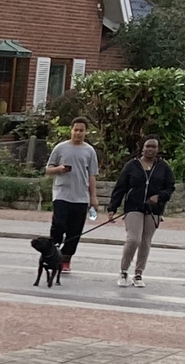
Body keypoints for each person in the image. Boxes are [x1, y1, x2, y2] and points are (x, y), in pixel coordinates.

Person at [108, 136, 175, 284]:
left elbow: (170, 187)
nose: (150, 149)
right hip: (133, 207)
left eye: (153, 147)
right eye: (147, 146)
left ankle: (138, 274)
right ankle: (123, 271)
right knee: (133, 239)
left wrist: (160, 196)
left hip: (154, 209)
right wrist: (112, 208)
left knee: (145, 242)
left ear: (158, 150)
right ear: (142, 148)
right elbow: (120, 187)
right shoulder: (132, 165)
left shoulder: (163, 168)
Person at [42, 117, 98, 276]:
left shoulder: (89, 151)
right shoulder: (61, 148)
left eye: (82, 130)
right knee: (58, 225)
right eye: (76, 130)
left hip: (81, 197)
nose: (78, 133)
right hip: (62, 194)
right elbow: (48, 169)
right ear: (71, 130)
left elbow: (92, 175)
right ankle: (53, 253)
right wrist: (59, 168)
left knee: (75, 231)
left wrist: (93, 197)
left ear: (86, 132)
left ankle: (66, 259)